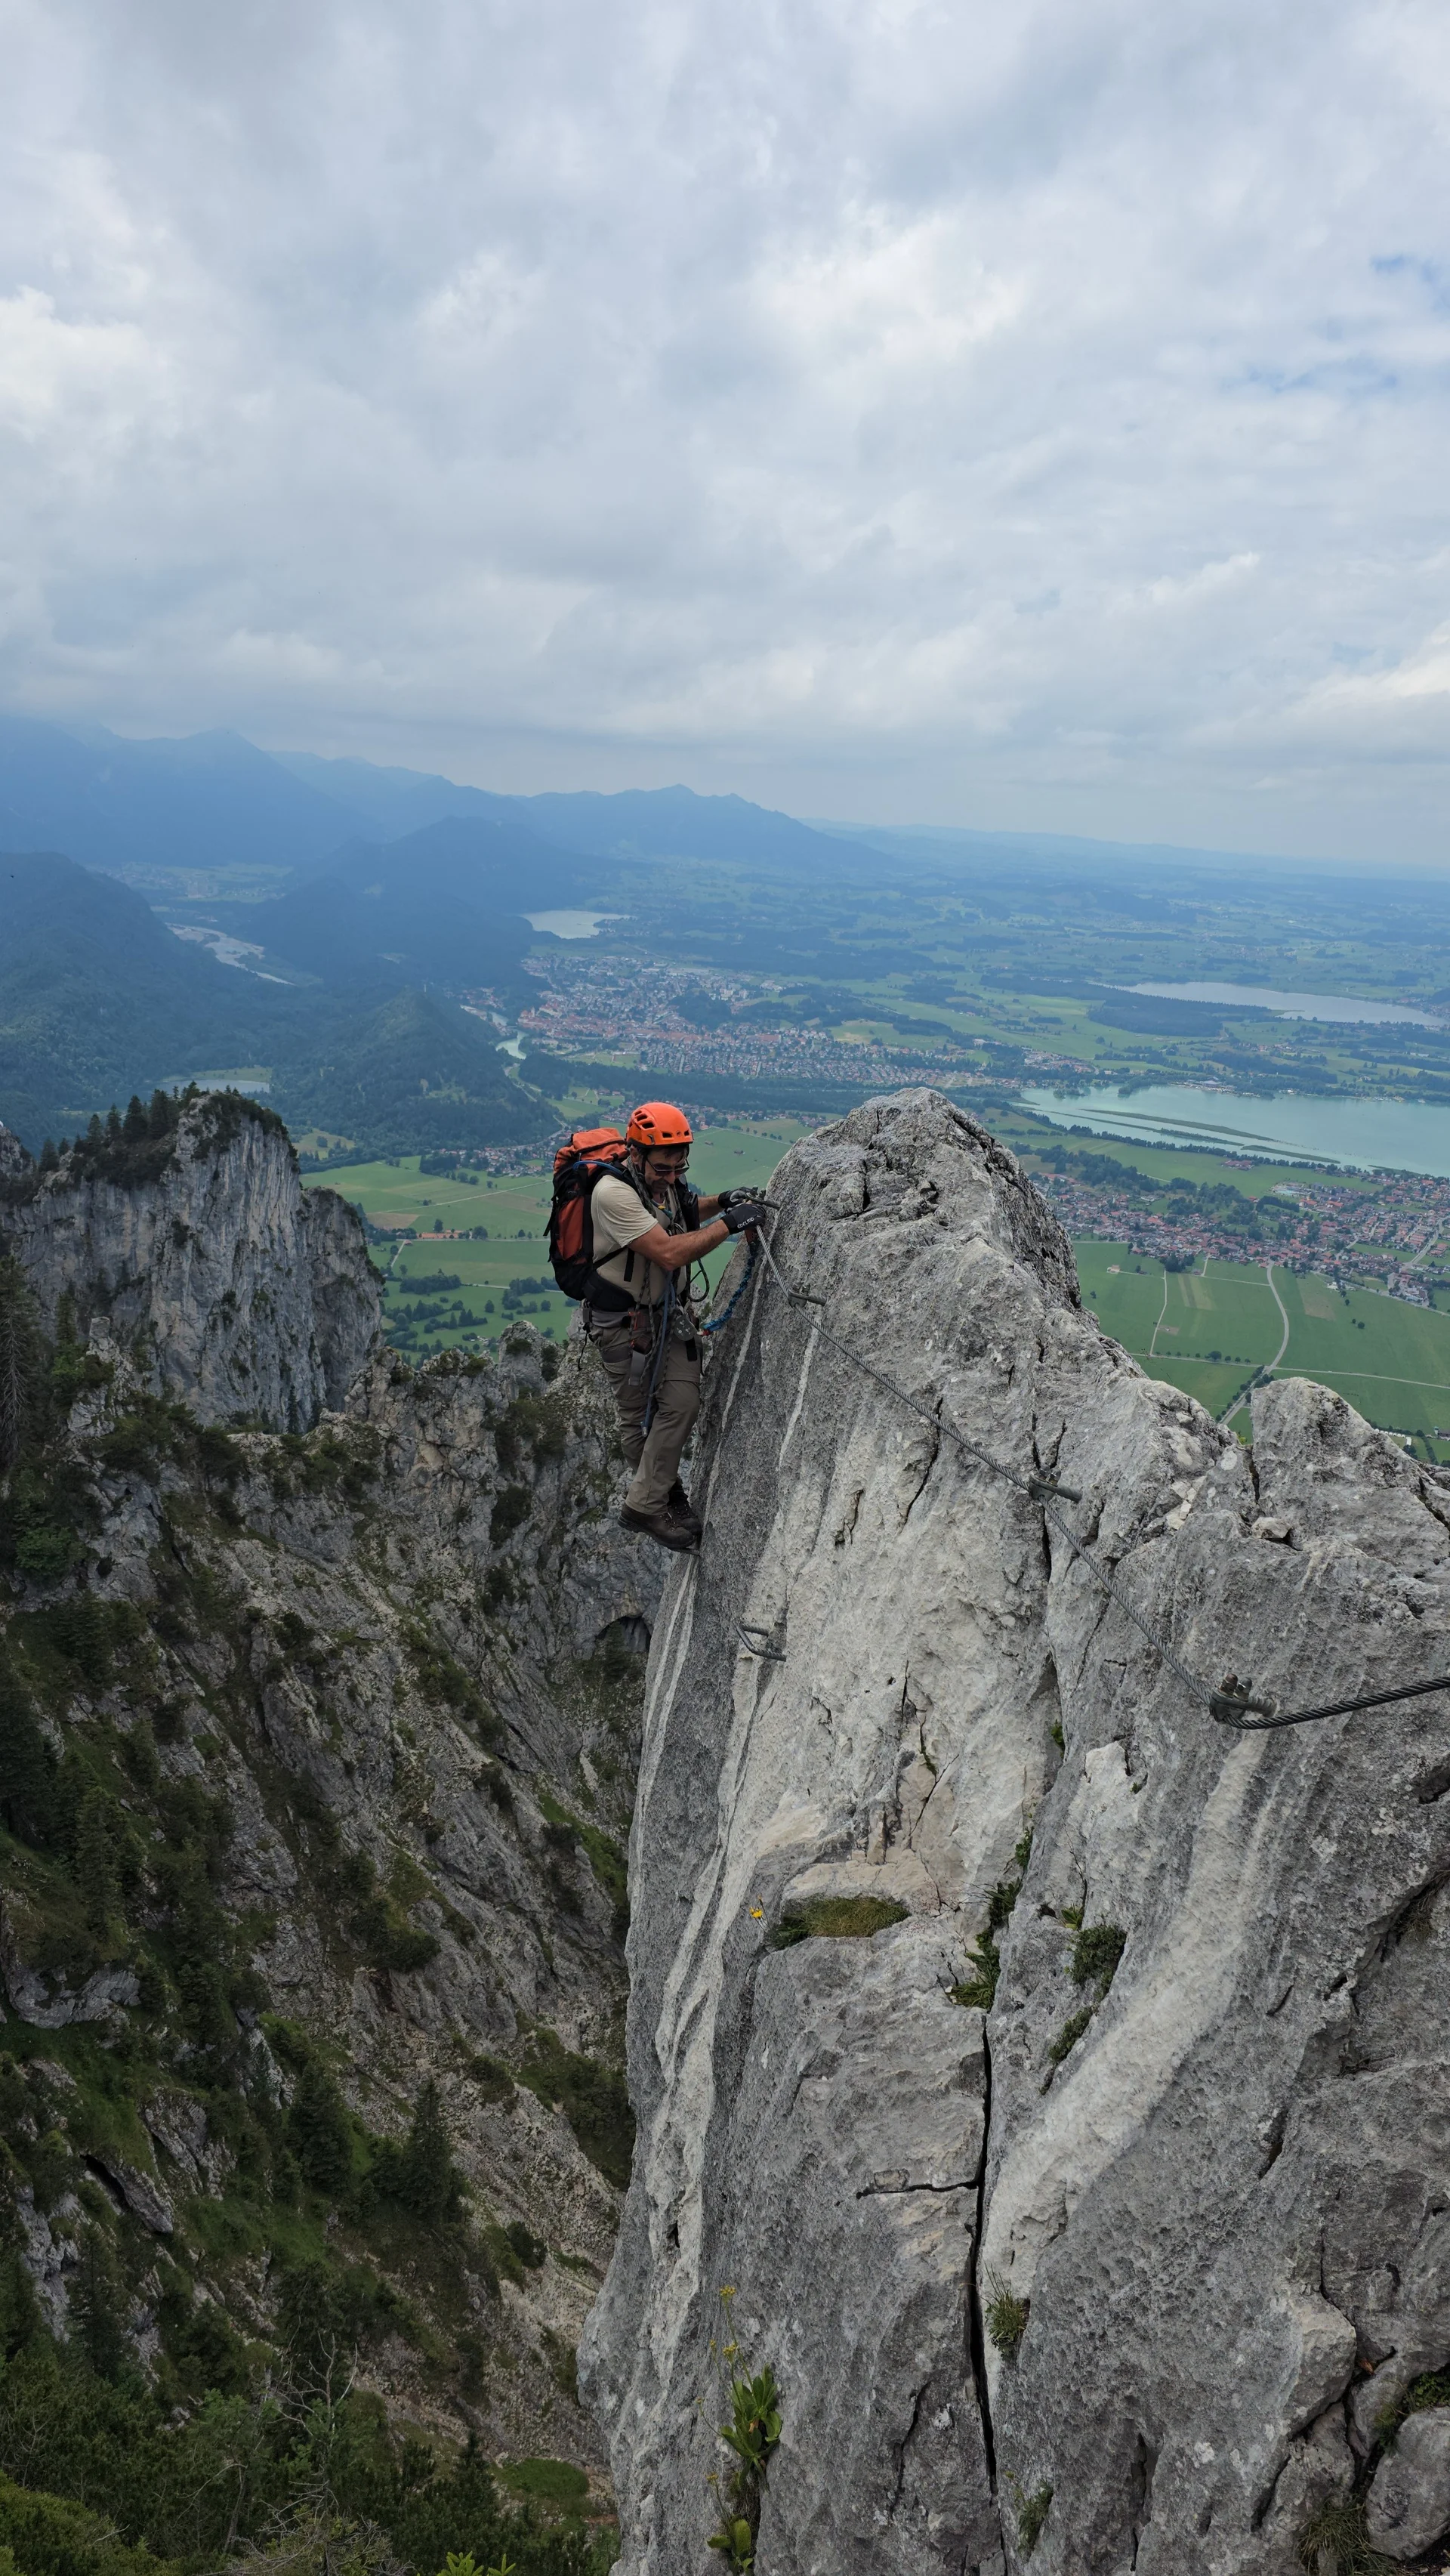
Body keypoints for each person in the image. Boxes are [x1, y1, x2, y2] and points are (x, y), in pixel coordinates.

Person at [584, 1101, 767, 1551]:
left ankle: (653, 1495)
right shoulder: (613, 1194)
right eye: (662, 1168)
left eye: (677, 1167)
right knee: (636, 1419)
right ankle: (651, 1503)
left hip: (668, 1314)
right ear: (636, 1153)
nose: (671, 1177)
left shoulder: (662, 1182)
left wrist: (720, 1202)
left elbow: (680, 1214)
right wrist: (728, 1224)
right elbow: (667, 1252)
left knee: (683, 1402)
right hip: (624, 1325)